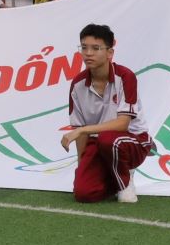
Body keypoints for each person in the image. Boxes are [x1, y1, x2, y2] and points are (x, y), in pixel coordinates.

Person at [62, 23, 152, 203]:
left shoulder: (125, 77)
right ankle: (114, 175)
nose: (88, 53)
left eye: (96, 48)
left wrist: (83, 130)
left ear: (110, 53)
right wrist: (83, 167)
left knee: (108, 139)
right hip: (99, 142)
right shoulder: (77, 85)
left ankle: (126, 180)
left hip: (133, 140)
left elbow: (123, 123)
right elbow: (80, 128)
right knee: (83, 193)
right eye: (84, 47)